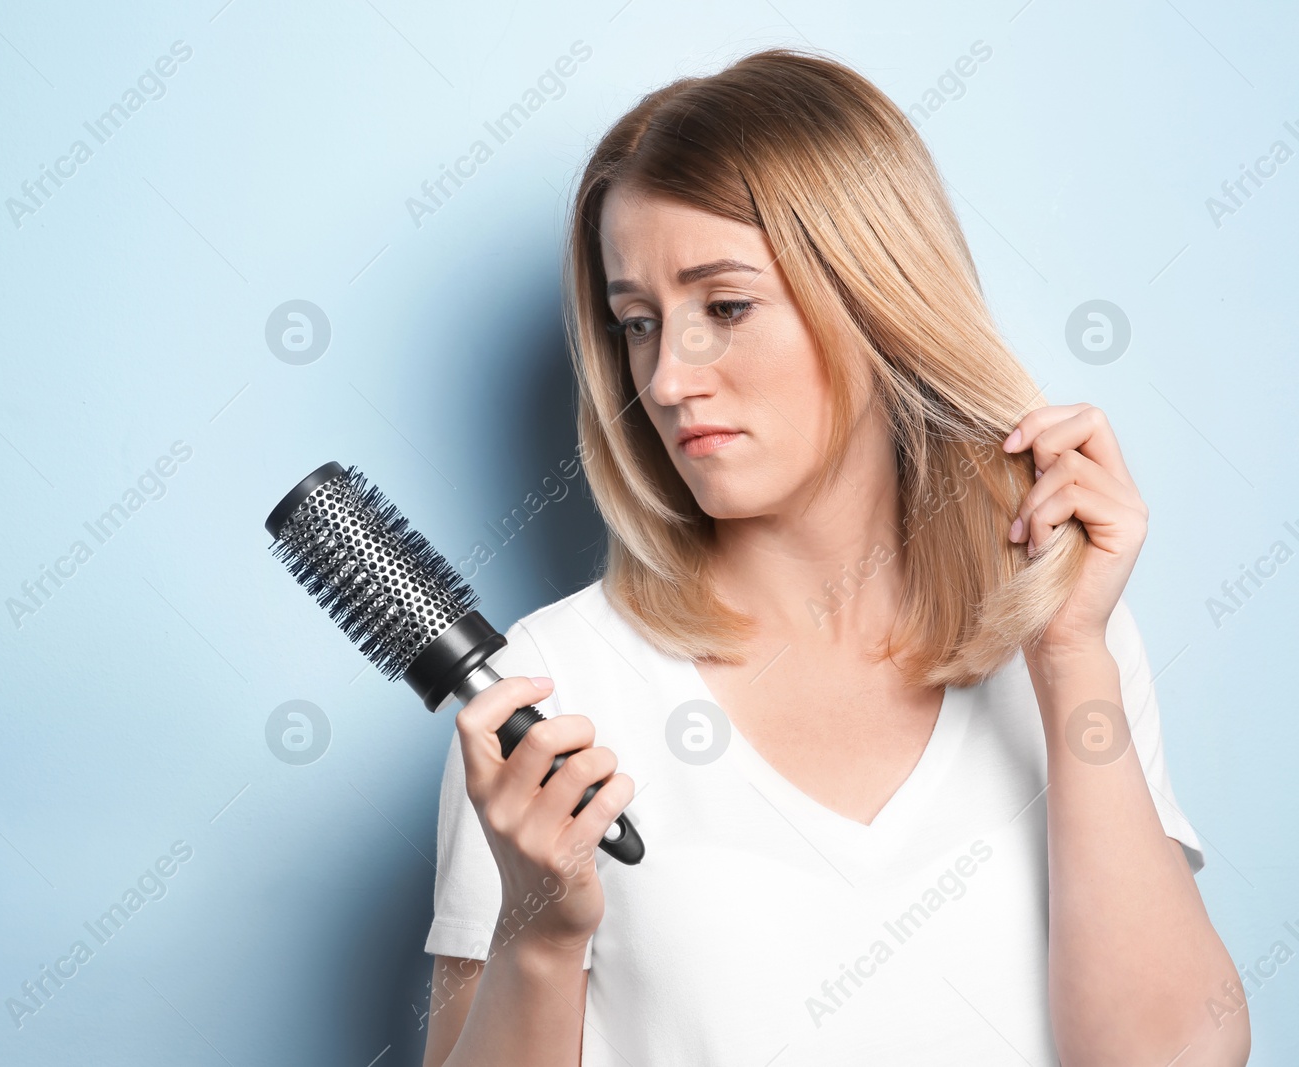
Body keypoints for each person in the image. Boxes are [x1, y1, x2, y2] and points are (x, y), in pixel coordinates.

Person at [419, 48, 1249, 1067]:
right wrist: (540, 939)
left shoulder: (1061, 627)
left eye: (723, 307)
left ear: (874, 294)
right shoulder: (546, 694)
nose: (668, 379)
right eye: (637, 323)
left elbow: (1171, 1056)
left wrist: (1072, 653)